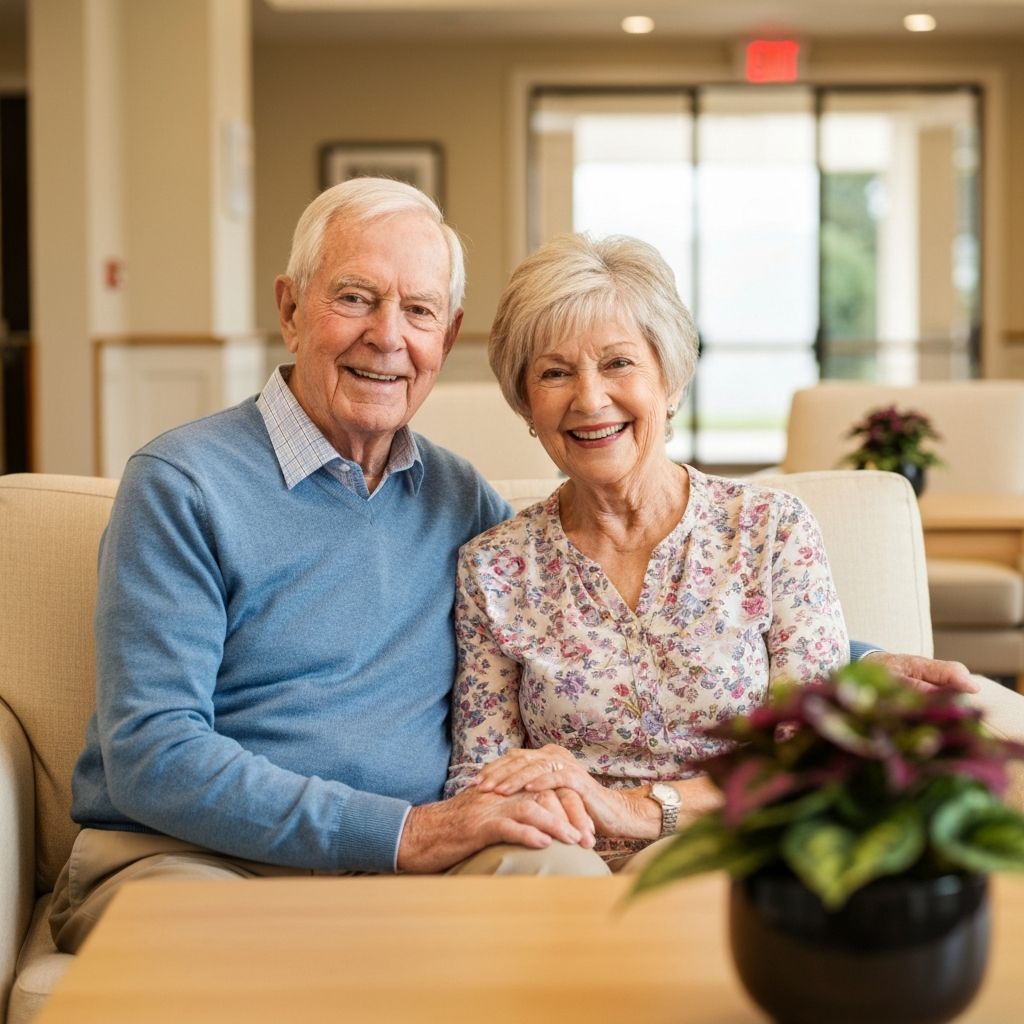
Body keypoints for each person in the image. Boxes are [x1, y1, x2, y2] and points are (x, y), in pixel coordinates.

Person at [50, 178, 974, 951]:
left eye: (417, 311)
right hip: (190, 854)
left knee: (551, 909)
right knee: (243, 961)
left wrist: (846, 664)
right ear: (291, 308)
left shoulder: (454, 500)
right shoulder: (184, 483)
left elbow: (616, 599)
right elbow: (152, 755)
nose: (387, 336)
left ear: (444, 343)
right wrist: (408, 832)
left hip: (403, 860)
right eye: (354, 298)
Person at [445, 232, 974, 868]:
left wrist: (641, 808)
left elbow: (808, 756)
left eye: (618, 363)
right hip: (560, 851)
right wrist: (557, 811)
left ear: (668, 382)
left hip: (730, 837)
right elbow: (481, 776)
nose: (589, 398)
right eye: (555, 373)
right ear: (527, 405)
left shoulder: (770, 532)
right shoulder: (493, 569)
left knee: (691, 872)